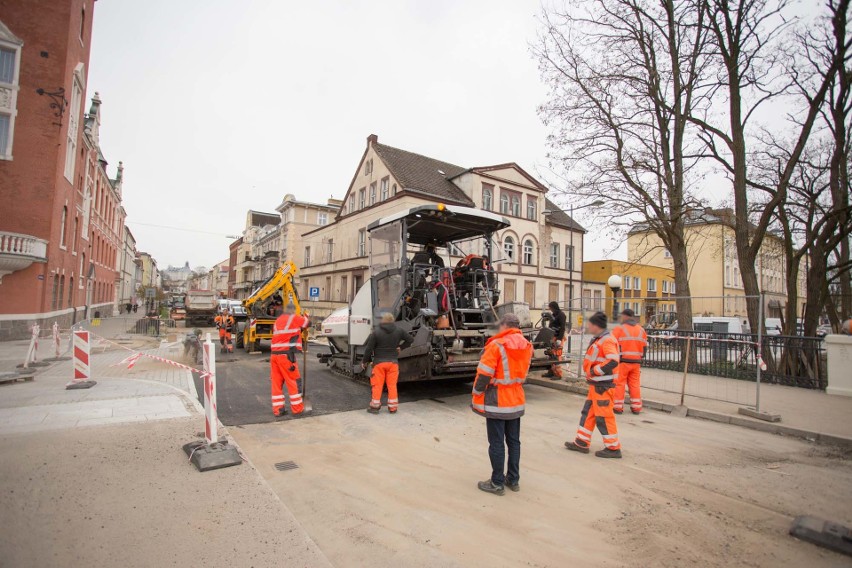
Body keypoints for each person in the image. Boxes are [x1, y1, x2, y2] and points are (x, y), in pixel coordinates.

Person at [472, 313, 533, 495]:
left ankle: (497, 483)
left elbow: (484, 374)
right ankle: (513, 480)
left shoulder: (496, 345)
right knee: (514, 442)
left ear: (505, 326)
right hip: (516, 399)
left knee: (496, 443)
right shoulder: (527, 345)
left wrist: (476, 393)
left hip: (497, 401)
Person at [565, 311, 622, 458]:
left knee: (604, 416)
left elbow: (613, 360)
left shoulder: (606, 340)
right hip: (597, 385)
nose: (588, 326)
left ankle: (613, 448)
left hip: (603, 385)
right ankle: (581, 442)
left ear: (596, 325)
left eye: (590, 324)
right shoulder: (600, 339)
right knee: (588, 413)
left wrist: (594, 371)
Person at [361, 313, 414, 414]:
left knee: (377, 385)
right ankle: (393, 408)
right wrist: (401, 347)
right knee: (392, 385)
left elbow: (369, 349)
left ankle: (375, 407)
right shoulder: (399, 330)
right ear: (392, 320)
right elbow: (410, 339)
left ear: (383, 321)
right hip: (393, 363)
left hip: (379, 364)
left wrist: (364, 361)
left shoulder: (376, 332)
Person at [269, 304, 311, 417]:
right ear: (293, 311)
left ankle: (278, 410)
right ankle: (297, 410)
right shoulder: (294, 318)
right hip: (286, 356)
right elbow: (307, 323)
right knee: (294, 381)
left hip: (274, 356)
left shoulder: (278, 320)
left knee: (276, 383)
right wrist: (306, 315)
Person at [611, 308, 648, 414]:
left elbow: (611, 343)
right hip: (636, 362)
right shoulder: (641, 329)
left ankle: (618, 407)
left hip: (622, 361)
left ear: (625, 316)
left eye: (622, 316)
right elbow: (645, 347)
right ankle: (636, 407)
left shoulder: (619, 329)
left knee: (619, 383)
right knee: (635, 384)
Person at [543, 301, 567, 380]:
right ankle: (551, 371)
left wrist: (559, 339)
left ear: (553, 307)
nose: (549, 309)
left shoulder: (561, 315)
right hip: (553, 336)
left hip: (558, 337)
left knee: (557, 355)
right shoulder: (553, 315)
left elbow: (562, 328)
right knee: (550, 354)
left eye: (550, 307)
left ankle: (558, 374)